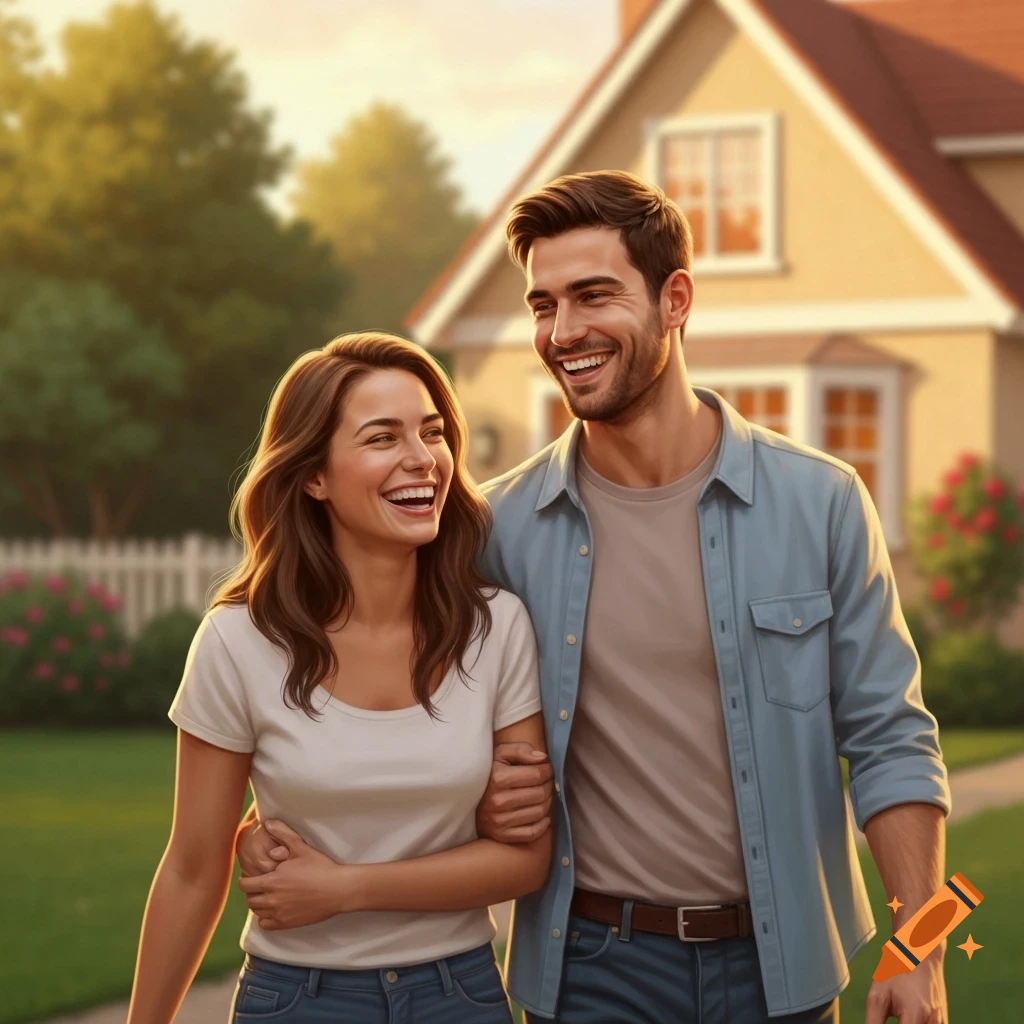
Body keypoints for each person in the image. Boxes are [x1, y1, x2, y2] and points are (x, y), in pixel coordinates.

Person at [237, 172, 952, 1024]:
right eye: (543, 305)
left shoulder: (822, 503)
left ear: (675, 298)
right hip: (592, 971)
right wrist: (274, 817)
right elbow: (374, 679)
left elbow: (893, 741)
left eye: (593, 296)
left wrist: (921, 948)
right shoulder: (493, 529)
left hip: (786, 966)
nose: (563, 331)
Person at [126, 332, 552, 1024]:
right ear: (314, 476)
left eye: (433, 433)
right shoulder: (238, 642)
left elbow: (523, 862)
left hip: (460, 997)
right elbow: (192, 870)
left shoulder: (495, 628)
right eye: (382, 438)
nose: (422, 460)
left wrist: (345, 889)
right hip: (296, 999)